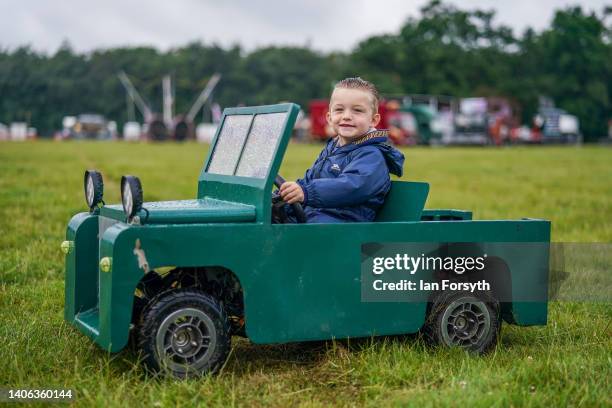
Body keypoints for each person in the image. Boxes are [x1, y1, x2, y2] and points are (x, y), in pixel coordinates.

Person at [279, 77, 405, 223]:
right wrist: (287, 194)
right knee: (271, 214)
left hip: (344, 225)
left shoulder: (372, 155)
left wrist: (307, 192)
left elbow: (352, 186)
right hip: (318, 215)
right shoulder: (332, 149)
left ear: (373, 120)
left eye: (357, 111)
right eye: (339, 110)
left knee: (305, 231)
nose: (346, 116)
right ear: (329, 117)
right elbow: (310, 178)